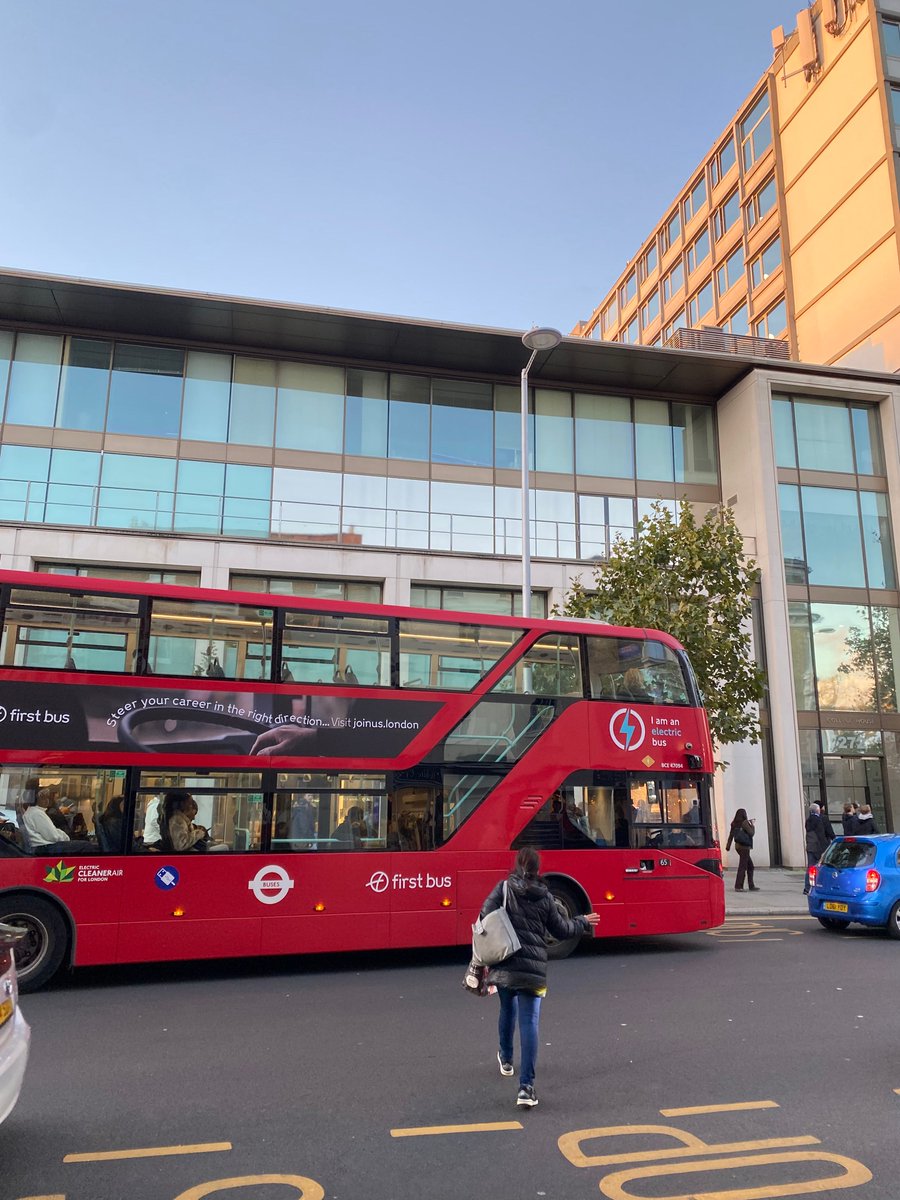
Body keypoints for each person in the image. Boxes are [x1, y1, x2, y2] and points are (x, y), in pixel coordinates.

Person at [477, 847, 600, 1109]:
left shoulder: (504, 888)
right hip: (533, 970)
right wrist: (582, 921)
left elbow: (484, 916)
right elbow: (562, 930)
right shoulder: (545, 897)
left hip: (505, 962)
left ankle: (506, 1059)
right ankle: (526, 1087)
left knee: (506, 1008)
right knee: (529, 1022)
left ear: (517, 865)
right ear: (537, 868)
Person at [21, 788, 93, 855]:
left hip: (44, 846)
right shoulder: (37, 813)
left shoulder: (33, 812)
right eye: (44, 798)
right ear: (37, 799)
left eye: (48, 798)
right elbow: (53, 836)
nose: (47, 801)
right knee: (86, 846)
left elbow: (52, 832)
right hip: (46, 847)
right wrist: (66, 837)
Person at [725, 809, 758, 892]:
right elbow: (751, 833)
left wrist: (728, 846)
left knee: (750, 866)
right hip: (745, 847)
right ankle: (739, 886)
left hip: (738, 847)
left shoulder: (734, 823)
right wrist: (752, 825)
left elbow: (731, 836)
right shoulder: (745, 823)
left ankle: (751, 885)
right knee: (743, 866)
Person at [803, 802, 830, 895]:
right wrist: (825, 847)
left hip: (810, 846)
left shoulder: (808, 820)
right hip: (818, 847)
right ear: (817, 810)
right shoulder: (818, 820)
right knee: (821, 867)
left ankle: (807, 887)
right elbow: (821, 835)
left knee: (810, 868)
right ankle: (819, 886)